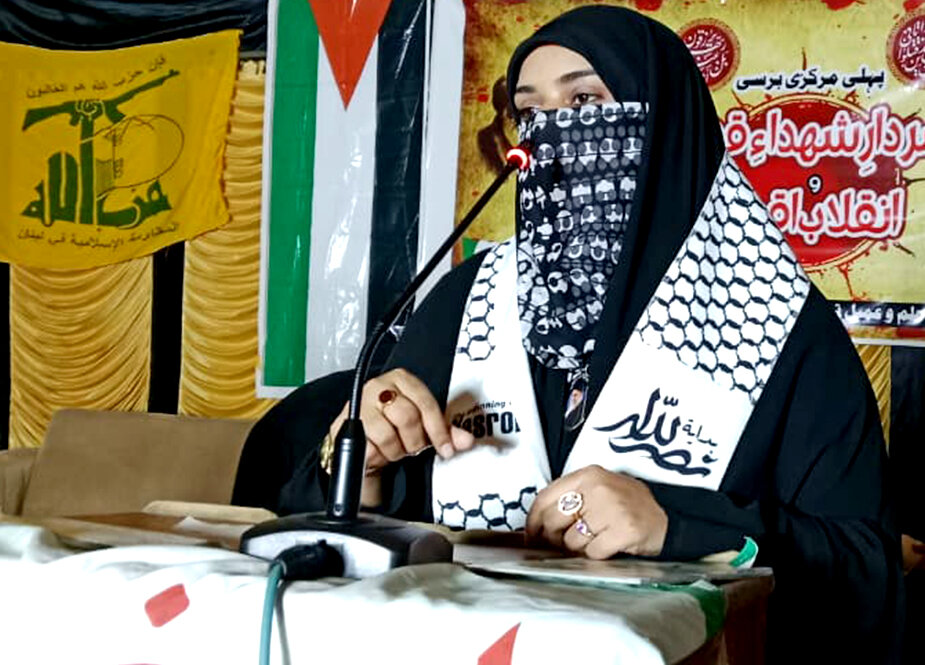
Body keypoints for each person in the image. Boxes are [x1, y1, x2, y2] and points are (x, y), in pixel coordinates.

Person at [234, 6, 903, 662]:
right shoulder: (470, 300)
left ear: (664, 129)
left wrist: (677, 525)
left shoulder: (778, 324)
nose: (550, 135)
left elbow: (865, 568)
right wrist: (364, 467)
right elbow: (341, 524)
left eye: (583, 102)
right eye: (531, 114)